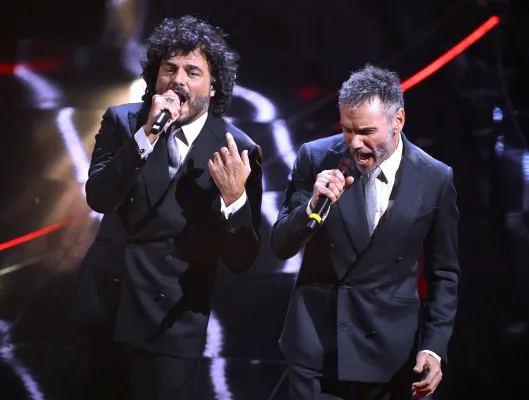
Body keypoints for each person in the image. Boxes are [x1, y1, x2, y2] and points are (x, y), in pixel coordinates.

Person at [70, 15, 262, 400]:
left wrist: (234, 199)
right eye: (169, 68)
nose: (178, 80)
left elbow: (241, 259)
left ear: (214, 85)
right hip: (107, 306)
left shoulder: (236, 148)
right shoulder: (124, 122)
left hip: (172, 322)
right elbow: (99, 197)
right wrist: (146, 136)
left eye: (193, 71)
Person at [271, 64, 460, 400]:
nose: (355, 143)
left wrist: (433, 346)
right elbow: (281, 245)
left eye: (366, 131)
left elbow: (444, 273)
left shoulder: (434, 177)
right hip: (319, 348)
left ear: (398, 120)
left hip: (392, 352)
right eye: (347, 130)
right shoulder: (316, 158)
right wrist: (311, 205)